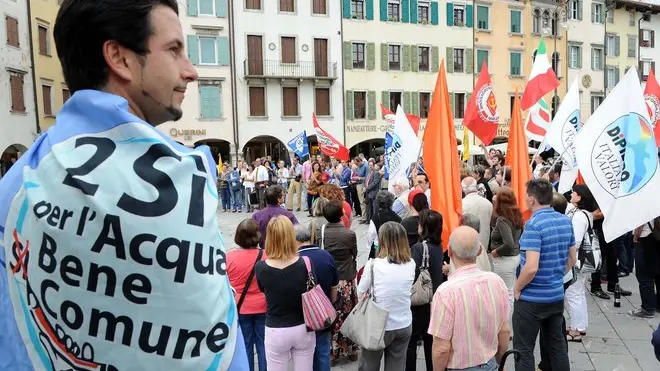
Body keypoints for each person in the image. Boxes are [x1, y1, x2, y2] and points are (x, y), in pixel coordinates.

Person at [0, 0, 247, 369]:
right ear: (119, 57)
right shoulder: (178, 183)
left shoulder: (16, 185)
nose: (191, 71)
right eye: (174, 50)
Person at [513, 179, 577, 371]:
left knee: (523, 350)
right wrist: (556, 275)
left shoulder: (533, 225)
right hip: (555, 295)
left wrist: (517, 287)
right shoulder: (565, 221)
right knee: (557, 346)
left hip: (532, 298)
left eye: (526, 196)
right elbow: (572, 258)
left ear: (532, 199)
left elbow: (531, 267)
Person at [428, 226, 510, 371]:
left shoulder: (446, 292)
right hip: (490, 364)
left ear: (450, 251)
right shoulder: (496, 282)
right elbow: (504, 331)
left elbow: (441, 348)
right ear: (479, 251)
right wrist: (500, 362)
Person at [256, 216, 316, 370]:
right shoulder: (306, 263)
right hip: (303, 326)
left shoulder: (261, 267)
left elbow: (263, 290)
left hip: (276, 328)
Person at [357, 222, 415, 371]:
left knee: (369, 365)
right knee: (397, 366)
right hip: (403, 323)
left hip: (378, 325)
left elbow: (361, 290)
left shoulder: (373, 265)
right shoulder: (411, 263)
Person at [315, 201, 359, 365]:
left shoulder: (322, 230)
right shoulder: (349, 234)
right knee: (348, 315)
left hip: (328, 278)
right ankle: (351, 349)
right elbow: (354, 253)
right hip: (346, 278)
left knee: (331, 314)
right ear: (341, 214)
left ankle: (332, 351)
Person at [294, 223, 339, 371]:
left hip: (301, 317)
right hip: (322, 315)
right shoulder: (326, 255)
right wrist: (330, 304)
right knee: (323, 352)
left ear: (296, 240)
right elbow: (334, 286)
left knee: (304, 357)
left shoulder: (295, 259)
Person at [406, 209, 445, 371]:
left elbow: (412, 274)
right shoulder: (439, 246)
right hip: (434, 299)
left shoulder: (418, 248)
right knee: (431, 343)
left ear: (423, 227)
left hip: (420, 300)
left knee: (411, 343)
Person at [227, 219, 268, 371]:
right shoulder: (267, 256)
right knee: (264, 346)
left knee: (245, 346)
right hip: (264, 307)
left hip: (241, 308)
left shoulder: (229, 258)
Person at [563, 185, 598, 341]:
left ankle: (576, 330)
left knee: (573, 294)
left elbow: (575, 242)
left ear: (580, 197)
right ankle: (581, 326)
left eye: (574, 193)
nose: (571, 194)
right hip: (583, 260)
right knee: (579, 294)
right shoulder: (586, 214)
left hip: (576, 260)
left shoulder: (579, 217)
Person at [489, 187, 523, 330]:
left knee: (505, 293)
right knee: (508, 291)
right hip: (514, 257)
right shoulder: (516, 215)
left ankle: (505, 326)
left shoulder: (503, 220)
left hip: (504, 260)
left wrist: (497, 251)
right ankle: (506, 324)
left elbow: (508, 242)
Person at [366, 191, 402, 259]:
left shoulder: (375, 217)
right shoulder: (397, 217)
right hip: (394, 248)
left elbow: (371, 234)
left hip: (379, 248)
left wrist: (369, 245)